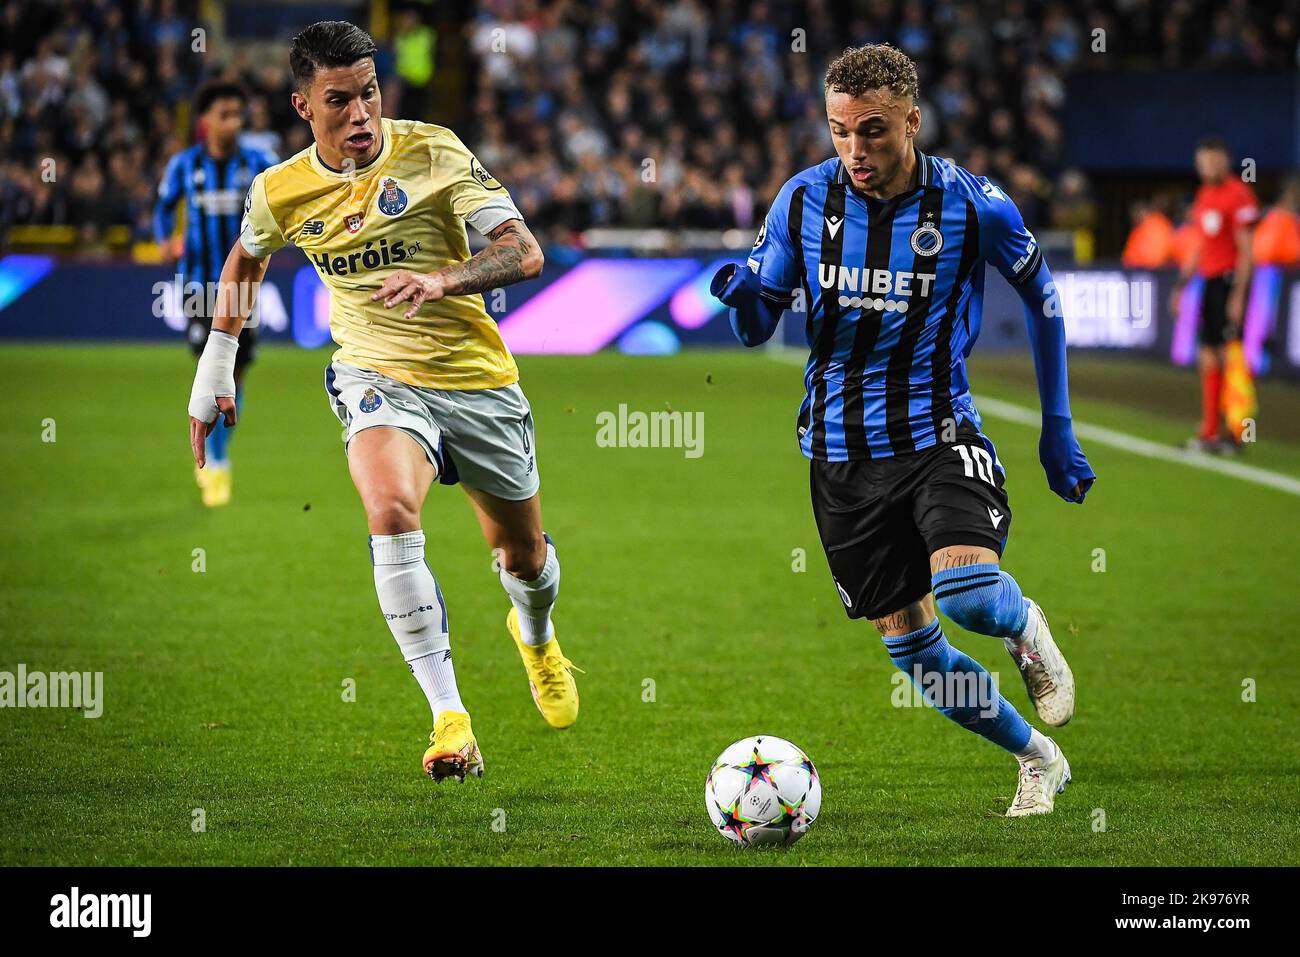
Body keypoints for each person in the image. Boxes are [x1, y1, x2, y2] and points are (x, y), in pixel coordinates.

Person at [185, 21, 579, 783]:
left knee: (523, 558)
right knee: (391, 509)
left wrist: (442, 280)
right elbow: (247, 255)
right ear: (304, 105)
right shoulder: (280, 189)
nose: (361, 113)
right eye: (340, 100)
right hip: (375, 373)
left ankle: (536, 636)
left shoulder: (432, 149)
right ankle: (449, 716)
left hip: (476, 379)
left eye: (370, 92)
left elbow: (523, 251)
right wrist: (218, 363)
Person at [713, 44, 1095, 817]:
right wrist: (745, 293)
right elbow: (758, 326)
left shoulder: (972, 204)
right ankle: (1036, 756)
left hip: (937, 436)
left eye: (875, 131)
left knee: (970, 596)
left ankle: (1025, 627)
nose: (856, 149)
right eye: (840, 130)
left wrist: (1057, 425)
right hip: (839, 458)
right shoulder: (800, 202)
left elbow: (1043, 297)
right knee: (919, 657)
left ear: (913, 122)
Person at [156, 80, 276, 506]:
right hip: (196, 285)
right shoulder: (184, 165)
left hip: (242, 287)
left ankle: (219, 457)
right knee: (207, 365)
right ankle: (216, 462)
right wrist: (166, 240)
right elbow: (162, 209)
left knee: (236, 371)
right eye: (224, 114)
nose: (232, 123)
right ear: (204, 120)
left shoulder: (259, 163)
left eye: (238, 115)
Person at [1168, 136, 1258, 454]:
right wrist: (1181, 286)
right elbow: (1200, 245)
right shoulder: (1205, 196)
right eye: (1202, 161)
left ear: (1225, 160)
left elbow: (1248, 252)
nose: (1207, 166)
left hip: (1229, 280)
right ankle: (1209, 430)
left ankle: (1237, 432)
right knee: (1207, 356)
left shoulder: (1239, 194)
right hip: (1209, 282)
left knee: (1229, 355)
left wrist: (1239, 296)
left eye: (1212, 160)